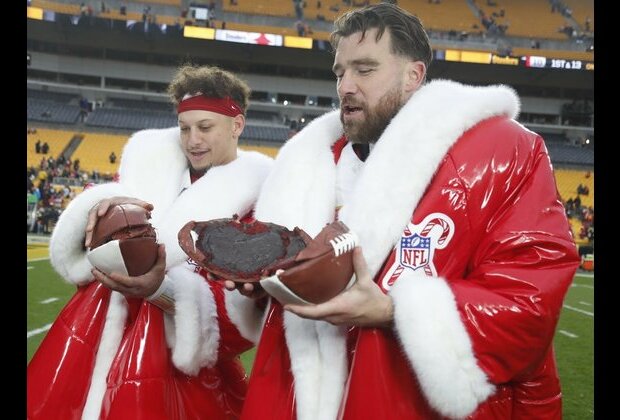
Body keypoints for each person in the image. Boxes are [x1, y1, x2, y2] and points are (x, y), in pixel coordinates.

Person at [235, 4, 580, 419]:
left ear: (413, 75)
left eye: (364, 70)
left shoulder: (500, 152)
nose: (345, 86)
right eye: (340, 72)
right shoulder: (306, 164)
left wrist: (394, 312)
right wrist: (260, 285)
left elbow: (529, 301)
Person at [27, 65, 273, 419]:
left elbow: (242, 318)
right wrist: (101, 209)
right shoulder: (148, 169)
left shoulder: (259, 202)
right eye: (185, 128)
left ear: (237, 125)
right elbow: (96, 225)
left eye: (205, 127)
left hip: (175, 358)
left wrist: (161, 290)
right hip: (97, 328)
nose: (192, 140)